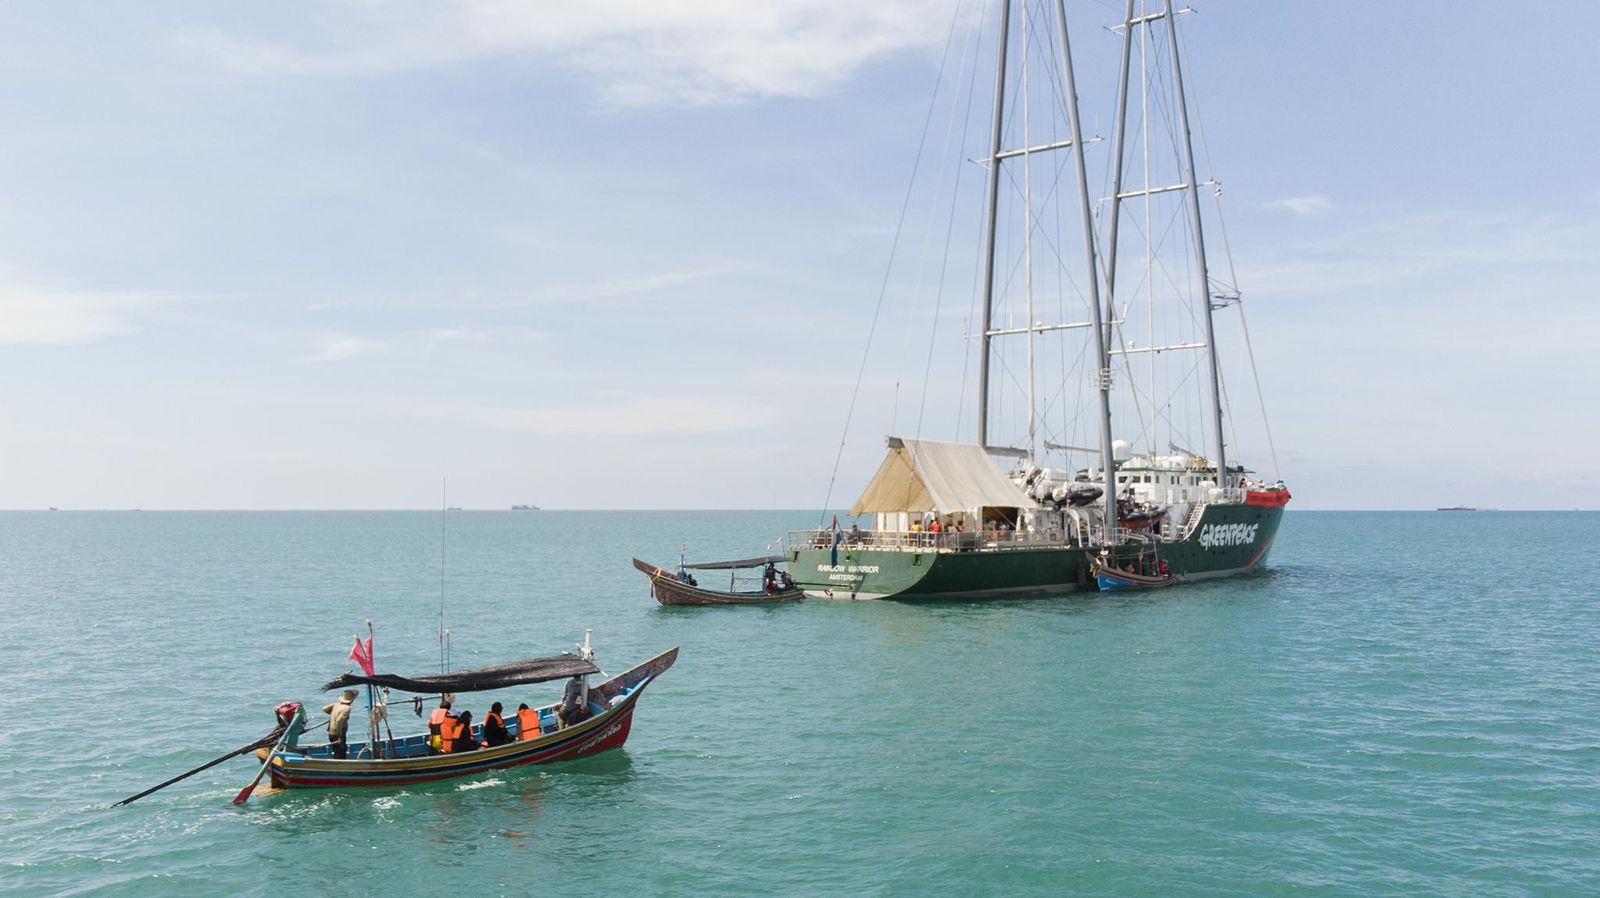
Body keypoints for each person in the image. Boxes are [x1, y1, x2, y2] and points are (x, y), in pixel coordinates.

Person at [321, 689, 358, 759]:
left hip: (331, 734)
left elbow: (324, 709)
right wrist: (340, 737)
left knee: (336, 751)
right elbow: (339, 722)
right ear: (352, 700)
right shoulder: (346, 708)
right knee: (341, 752)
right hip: (337, 734)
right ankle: (340, 767)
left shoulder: (337, 705)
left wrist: (333, 714)